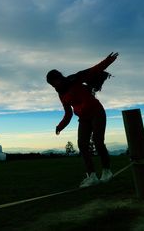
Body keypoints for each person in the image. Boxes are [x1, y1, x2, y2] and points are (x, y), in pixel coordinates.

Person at [46, 52, 119, 188]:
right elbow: (68, 113)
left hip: (96, 112)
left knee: (98, 141)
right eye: (51, 85)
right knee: (82, 145)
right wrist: (60, 126)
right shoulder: (61, 94)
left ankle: (106, 171)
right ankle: (91, 176)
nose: (53, 86)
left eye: (54, 82)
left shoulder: (74, 79)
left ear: (59, 78)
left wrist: (109, 60)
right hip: (84, 118)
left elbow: (94, 70)